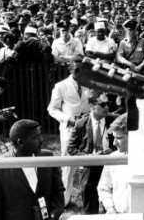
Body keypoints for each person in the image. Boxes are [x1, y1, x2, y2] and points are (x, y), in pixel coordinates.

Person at [0, 119, 65, 220]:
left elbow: (58, 190)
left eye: (40, 135)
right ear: (20, 142)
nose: (41, 140)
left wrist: (56, 212)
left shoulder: (47, 157)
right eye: (35, 137)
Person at [47, 54, 90, 206]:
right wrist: (69, 119)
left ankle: (90, 201)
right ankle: (64, 201)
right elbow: (52, 109)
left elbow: (94, 102)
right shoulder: (61, 86)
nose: (80, 73)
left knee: (91, 162)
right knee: (68, 164)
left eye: (83, 70)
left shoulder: (90, 83)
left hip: (88, 127)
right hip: (69, 128)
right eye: (77, 70)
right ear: (70, 68)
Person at [67, 93, 116, 214]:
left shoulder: (114, 120)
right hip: (90, 164)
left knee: (112, 194)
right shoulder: (80, 123)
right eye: (102, 104)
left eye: (108, 104)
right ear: (91, 106)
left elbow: (124, 140)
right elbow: (71, 148)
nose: (106, 108)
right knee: (89, 194)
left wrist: (113, 149)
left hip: (110, 162)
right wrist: (89, 157)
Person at [97, 113, 130, 214]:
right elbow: (104, 188)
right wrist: (110, 208)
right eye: (114, 137)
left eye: (119, 138)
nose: (114, 143)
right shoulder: (113, 159)